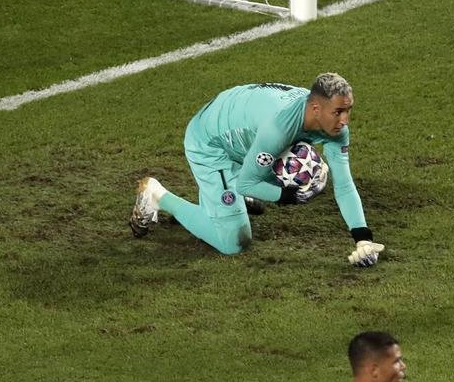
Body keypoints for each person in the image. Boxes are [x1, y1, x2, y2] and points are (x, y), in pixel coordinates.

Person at [128, 73, 386, 266]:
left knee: (289, 160)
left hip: (246, 131)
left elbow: (343, 184)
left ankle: (231, 195)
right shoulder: (279, 129)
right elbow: (246, 184)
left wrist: (363, 238)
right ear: (316, 108)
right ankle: (157, 195)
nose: (345, 120)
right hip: (211, 143)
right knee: (233, 243)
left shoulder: (333, 126)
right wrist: (289, 197)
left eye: (348, 111)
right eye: (339, 112)